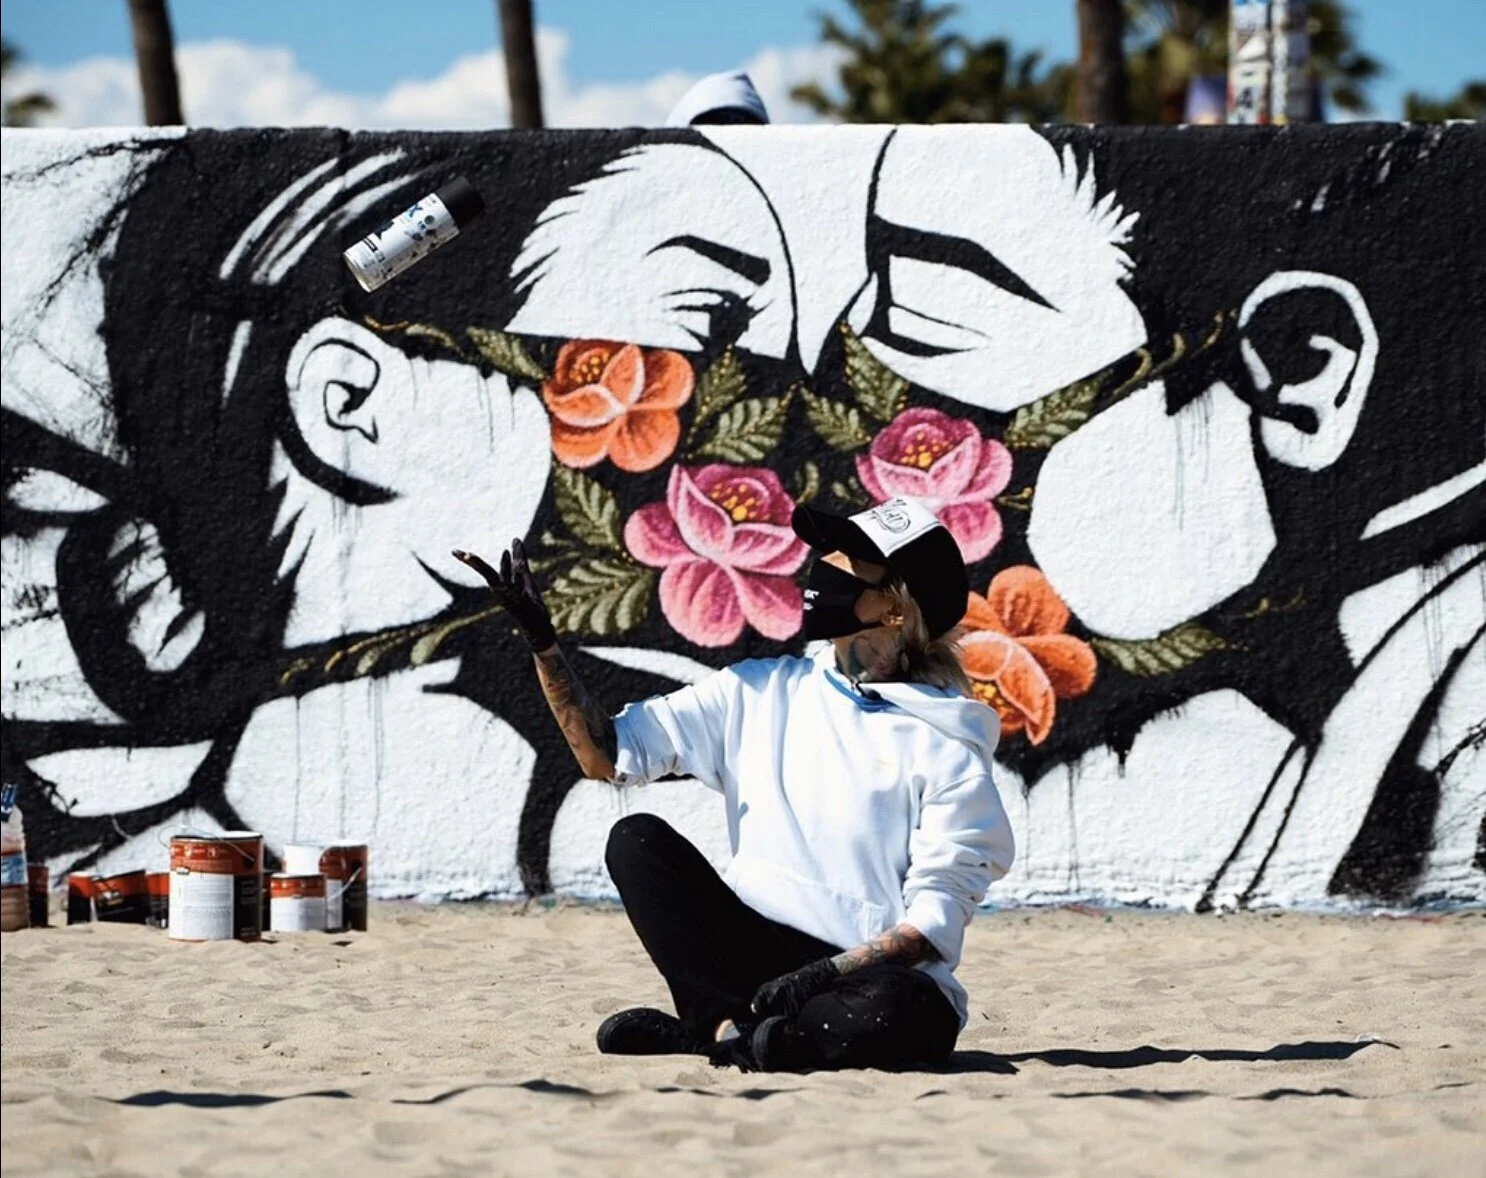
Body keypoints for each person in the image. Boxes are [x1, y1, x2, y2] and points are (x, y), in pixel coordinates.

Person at [455, 494, 1014, 1072]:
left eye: (850, 560)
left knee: (910, 1010)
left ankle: (718, 1035)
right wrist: (543, 645)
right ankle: (743, 1032)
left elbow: (929, 928)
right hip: (754, 961)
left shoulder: (949, 747)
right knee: (636, 839)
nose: (825, 567)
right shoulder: (758, 690)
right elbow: (607, 755)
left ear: (895, 609)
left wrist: (814, 979)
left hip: (858, 977)